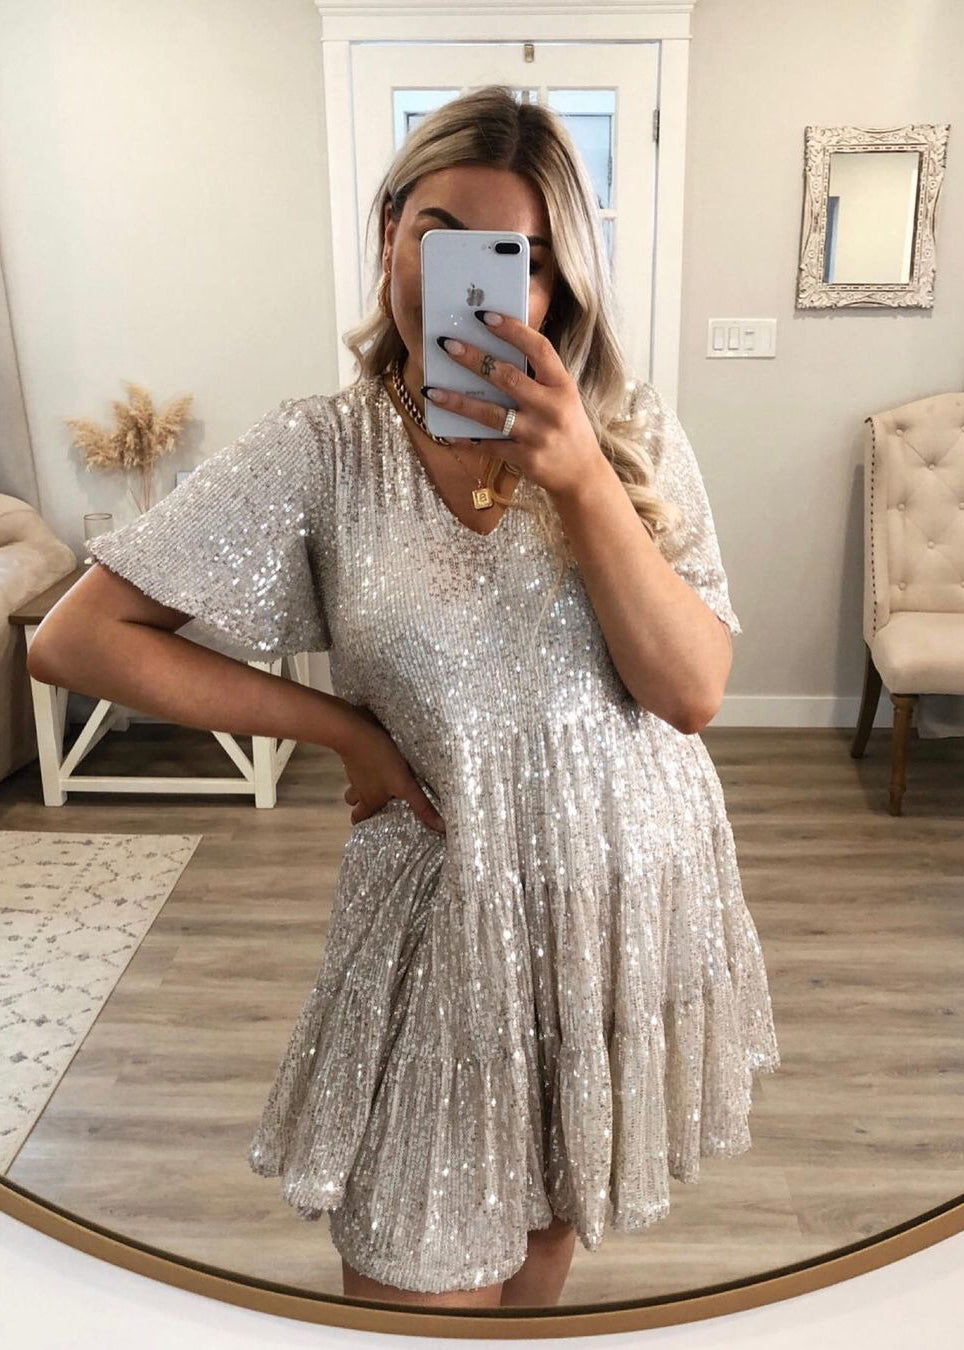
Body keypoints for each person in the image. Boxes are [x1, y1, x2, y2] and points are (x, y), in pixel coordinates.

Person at [29, 85, 780, 1310]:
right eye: (439, 234)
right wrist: (340, 727)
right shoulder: (321, 449)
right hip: (441, 903)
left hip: (619, 890)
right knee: (410, 1266)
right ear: (389, 232)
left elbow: (689, 692)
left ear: (559, 281)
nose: (470, 280)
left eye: (519, 256)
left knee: (546, 1227)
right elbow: (77, 639)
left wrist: (582, 480)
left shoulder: (628, 430)